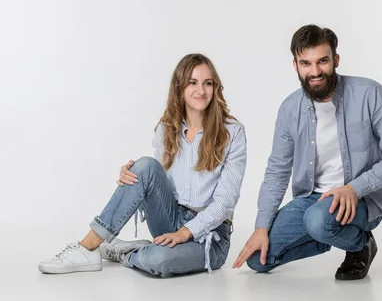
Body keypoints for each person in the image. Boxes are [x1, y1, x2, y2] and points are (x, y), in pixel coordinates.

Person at [38, 53, 247, 277]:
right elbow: (154, 180)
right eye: (192, 83)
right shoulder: (167, 129)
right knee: (145, 166)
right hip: (170, 218)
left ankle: (131, 251)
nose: (202, 91)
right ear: (180, 87)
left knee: (158, 260)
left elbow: (225, 203)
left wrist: (185, 232)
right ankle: (87, 247)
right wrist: (132, 175)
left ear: (215, 88)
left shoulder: (232, 132)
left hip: (210, 239)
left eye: (208, 83)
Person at [233, 24, 382, 280]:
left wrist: (354, 188)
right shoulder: (289, 109)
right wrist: (261, 226)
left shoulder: (369, 93)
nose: (315, 71)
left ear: (335, 60)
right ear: (295, 65)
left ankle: (360, 244)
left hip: (361, 197)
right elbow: (277, 170)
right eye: (305, 63)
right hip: (313, 199)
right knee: (257, 260)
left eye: (322, 61)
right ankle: (325, 232)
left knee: (318, 220)